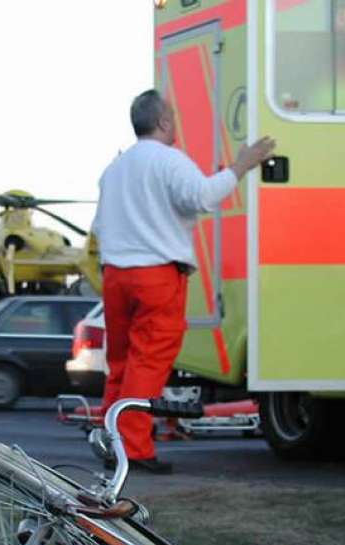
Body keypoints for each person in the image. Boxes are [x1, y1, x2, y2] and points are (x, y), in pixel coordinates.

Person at [92, 89, 276, 474]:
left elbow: (100, 227)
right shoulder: (169, 160)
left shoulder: (114, 169)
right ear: (162, 122)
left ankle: (111, 441)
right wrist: (241, 165)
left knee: (121, 363)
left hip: (116, 275)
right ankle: (134, 448)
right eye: (172, 117)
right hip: (156, 274)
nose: (175, 123)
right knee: (148, 361)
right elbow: (202, 197)